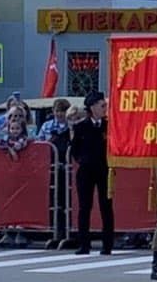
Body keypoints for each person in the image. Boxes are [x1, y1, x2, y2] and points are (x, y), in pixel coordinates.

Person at [70, 92, 114, 255]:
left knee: (106, 206)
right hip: (86, 170)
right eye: (102, 106)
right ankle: (84, 244)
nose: (104, 109)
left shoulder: (109, 126)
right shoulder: (81, 127)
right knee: (84, 207)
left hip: (104, 169)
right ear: (92, 107)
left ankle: (107, 244)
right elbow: (75, 149)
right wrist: (82, 160)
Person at [39, 98, 71, 248]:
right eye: (57, 110)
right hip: (51, 170)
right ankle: (55, 232)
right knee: (54, 202)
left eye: (63, 111)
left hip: (68, 170)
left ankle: (67, 232)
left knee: (67, 202)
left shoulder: (72, 127)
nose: (59, 114)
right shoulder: (46, 126)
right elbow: (39, 145)